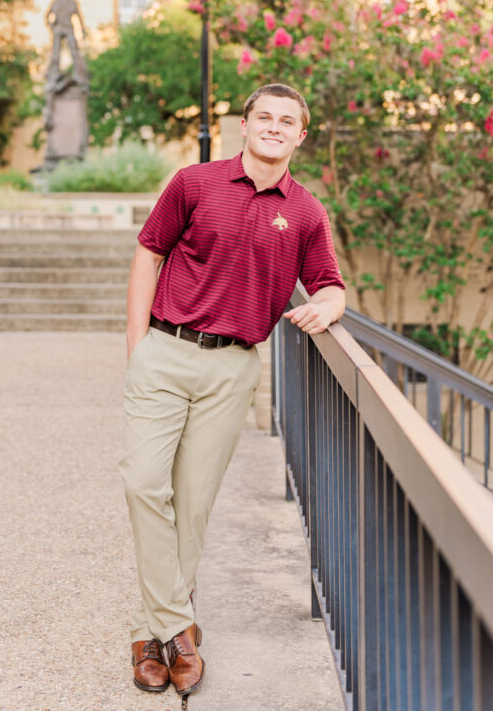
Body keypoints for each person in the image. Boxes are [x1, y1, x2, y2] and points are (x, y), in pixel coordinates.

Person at [119, 82, 346, 698]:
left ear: (301, 136)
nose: (273, 127)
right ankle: (178, 629)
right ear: (244, 126)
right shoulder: (193, 184)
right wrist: (137, 348)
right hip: (165, 353)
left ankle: (150, 636)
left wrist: (331, 304)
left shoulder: (305, 212)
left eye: (287, 121)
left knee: (191, 506)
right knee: (143, 483)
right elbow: (148, 252)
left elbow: (328, 282)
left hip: (233, 368)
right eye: (263, 117)